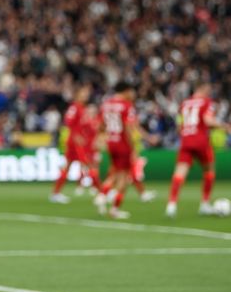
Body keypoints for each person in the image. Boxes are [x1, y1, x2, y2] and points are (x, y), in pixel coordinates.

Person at [166, 83, 229, 218]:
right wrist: (224, 126)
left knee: (179, 173)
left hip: (186, 140)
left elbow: (178, 126)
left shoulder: (184, 103)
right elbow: (208, 121)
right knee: (209, 171)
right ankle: (204, 204)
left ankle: (171, 205)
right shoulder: (206, 102)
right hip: (201, 140)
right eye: (208, 89)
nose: (210, 92)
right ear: (203, 88)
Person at [95, 82, 156, 219]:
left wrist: (102, 138)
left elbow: (101, 125)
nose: (133, 94)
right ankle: (114, 208)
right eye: (132, 91)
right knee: (124, 178)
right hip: (123, 144)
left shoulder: (106, 104)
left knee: (115, 175)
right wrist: (136, 145)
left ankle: (102, 195)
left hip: (111, 142)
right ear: (126, 91)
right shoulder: (126, 105)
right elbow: (130, 127)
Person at [50, 85, 101, 203]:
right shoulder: (74, 108)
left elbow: (86, 126)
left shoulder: (82, 109)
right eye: (83, 93)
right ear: (77, 94)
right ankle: (101, 192)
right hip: (76, 143)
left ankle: (56, 193)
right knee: (90, 165)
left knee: (67, 167)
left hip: (77, 143)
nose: (86, 96)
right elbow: (68, 123)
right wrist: (76, 136)